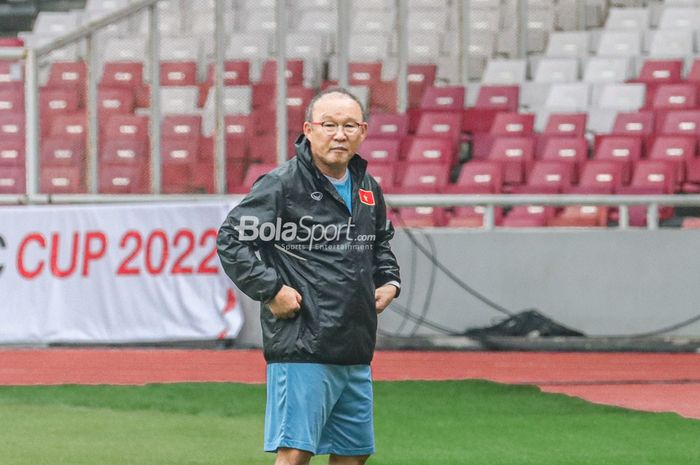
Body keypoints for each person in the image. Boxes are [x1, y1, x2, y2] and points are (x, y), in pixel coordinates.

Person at [217, 87, 401, 465]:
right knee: (296, 453)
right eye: (329, 125)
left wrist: (389, 282)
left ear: (363, 131)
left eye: (349, 125)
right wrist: (271, 290)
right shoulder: (283, 184)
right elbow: (232, 238)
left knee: (354, 453)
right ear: (309, 129)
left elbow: (381, 243)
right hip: (304, 341)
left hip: (354, 342)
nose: (339, 134)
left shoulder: (367, 187)